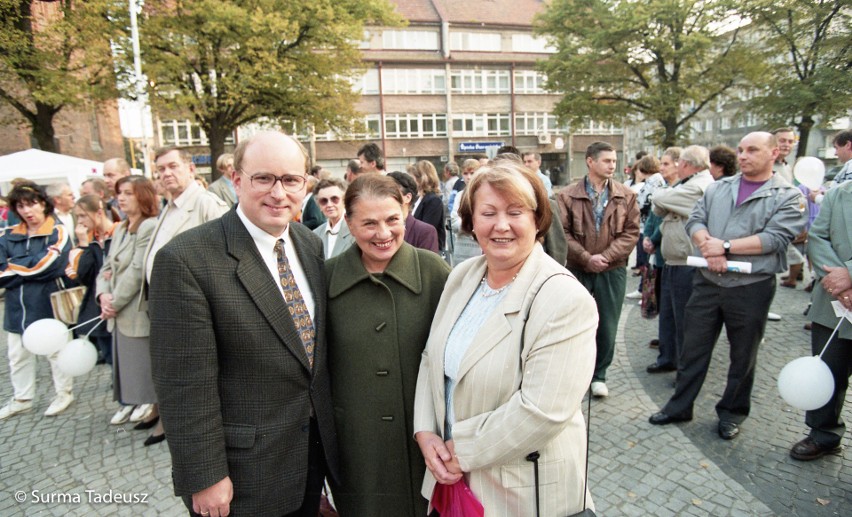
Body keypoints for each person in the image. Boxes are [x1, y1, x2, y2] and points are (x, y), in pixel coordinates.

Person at [149, 131, 338, 517]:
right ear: (236, 180)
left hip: (308, 460)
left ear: (305, 184)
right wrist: (204, 477)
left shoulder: (308, 243)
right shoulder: (187, 260)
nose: (278, 192)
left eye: (291, 180)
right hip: (242, 477)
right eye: (263, 178)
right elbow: (183, 385)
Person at [413, 160, 598, 516]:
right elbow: (430, 357)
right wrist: (425, 431)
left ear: (537, 219)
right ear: (471, 221)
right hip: (453, 482)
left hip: (522, 493)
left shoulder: (564, 299)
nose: (501, 225)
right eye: (488, 212)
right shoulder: (463, 276)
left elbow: (542, 411)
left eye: (515, 212)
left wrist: (458, 451)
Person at [649, 132, 807, 440]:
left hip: (751, 286)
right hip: (708, 280)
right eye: (741, 150)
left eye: (753, 150)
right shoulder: (718, 188)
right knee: (693, 347)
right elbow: (695, 220)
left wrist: (723, 246)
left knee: (742, 355)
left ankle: (732, 412)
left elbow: (776, 238)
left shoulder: (787, 195)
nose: (743, 155)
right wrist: (706, 244)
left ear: (774, 154)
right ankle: (680, 405)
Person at [325, 174, 450, 515]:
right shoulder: (326, 279)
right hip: (357, 450)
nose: (383, 234)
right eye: (369, 223)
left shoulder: (435, 273)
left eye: (392, 220)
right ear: (348, 224)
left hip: (426, 446)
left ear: (405, 214)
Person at [140, 146, 228, 445]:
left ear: (191, 169)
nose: (166, 174)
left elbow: (227, 254)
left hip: (194, 308)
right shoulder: (169, 206)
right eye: (160, 169)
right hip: (167, 307)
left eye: (173, 166)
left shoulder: (204, 203)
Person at [557, 141, 640, 397]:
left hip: (611, 269)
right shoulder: (567, 195)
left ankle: (599, 375)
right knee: (574, 321)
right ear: (590, 162)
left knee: (607, 324)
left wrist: (604, 256)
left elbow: (631, 232)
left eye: (614, 161)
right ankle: (573, 373)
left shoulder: (626, 195)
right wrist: (585, 257)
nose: (612, 166)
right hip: (578, 268)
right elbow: (563, 232)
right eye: (607, 161)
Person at [0, 182, 75, 420]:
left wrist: (15, 266)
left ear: (43, 203)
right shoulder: (8, 235)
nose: (27, 210)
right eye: (20, 206)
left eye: (32, 203)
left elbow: (52, 265)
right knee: (17, 355)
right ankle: (22, 398)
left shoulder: (58, 231)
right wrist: (30, 266)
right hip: (16, 306)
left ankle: (64, 393)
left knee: (55, 351)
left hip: (47, 302)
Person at [790, 178, 852, 460]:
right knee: (829, 370)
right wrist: (840, 282)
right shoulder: (840, 194)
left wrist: (850, 273)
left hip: (842, 284)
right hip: (834, 300)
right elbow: (817, 238)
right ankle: (823, 433)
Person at [95, 177, 160, 429]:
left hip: (133, 309)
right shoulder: (121, 228)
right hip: (117, 308)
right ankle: (140, 405)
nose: (121, 198)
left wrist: (115, 301)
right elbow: (107, 266)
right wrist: (103, 295)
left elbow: (136, 269)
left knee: (143, 366)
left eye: (128, 193)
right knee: (130, 365)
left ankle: (152, 408)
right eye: (119, 193)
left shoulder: (148, 226)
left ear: (142, 196)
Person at [646, 146, 714, 373]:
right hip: (673, 260)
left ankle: (685, 368)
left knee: (684, 318)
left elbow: (657, 198)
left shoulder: (699, 186)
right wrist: (665, 201)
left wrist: (664, 199)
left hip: (688, 261)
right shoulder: (686, 185)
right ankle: (669, 358)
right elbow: (658, 207)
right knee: (669, 314)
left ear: (685, 164)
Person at [66, 195, 116, 365]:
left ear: (98, 213)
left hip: (119, 303)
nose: (80, 221)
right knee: (110, 357)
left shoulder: (118, 232)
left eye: (82, 215)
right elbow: (82, 276)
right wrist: (83, 244)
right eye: (77, 216)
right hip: (98, 307)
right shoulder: (90, 240)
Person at [387, 171, 440, 254]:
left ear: (407, 197)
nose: (385, 197)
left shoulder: (424, 232)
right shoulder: (377, 229)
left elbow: (428, 265)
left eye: (391, 192)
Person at [410, 160, 447, 252]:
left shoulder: (433, 201)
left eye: (412, 177)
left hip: (428, 251)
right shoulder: (418, 198)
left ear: (422, 178)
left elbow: (427, 229)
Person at [312, 178, 353, 259]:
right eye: (324, 201)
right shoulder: (315, 234)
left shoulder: (355, 230)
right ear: (319, 205)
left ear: (344, 200)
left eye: (334, 199)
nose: (329, 204)